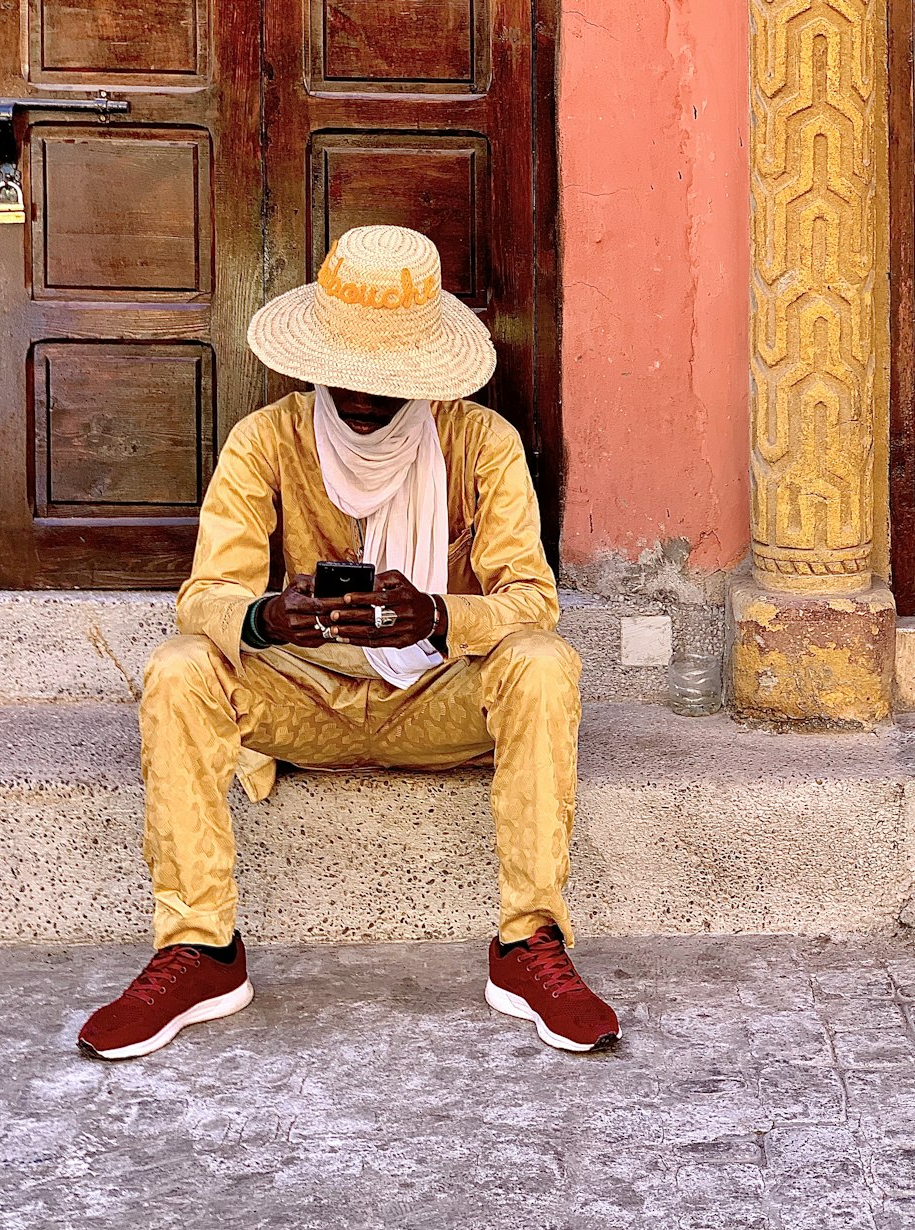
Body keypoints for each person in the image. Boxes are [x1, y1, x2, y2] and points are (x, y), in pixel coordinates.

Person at [78, 225, 620, 1061]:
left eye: (388, 380)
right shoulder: (265, 440)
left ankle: (528, 945)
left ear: (427, 374)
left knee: (544, 664)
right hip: (304, 701)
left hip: (435, 704)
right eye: (347, 374)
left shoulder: (483, 444)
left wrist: (439, 618)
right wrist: (264, 620)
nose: (363, 396)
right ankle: (199, 952)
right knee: (178, 667)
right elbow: (203, 598)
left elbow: (533, 603)